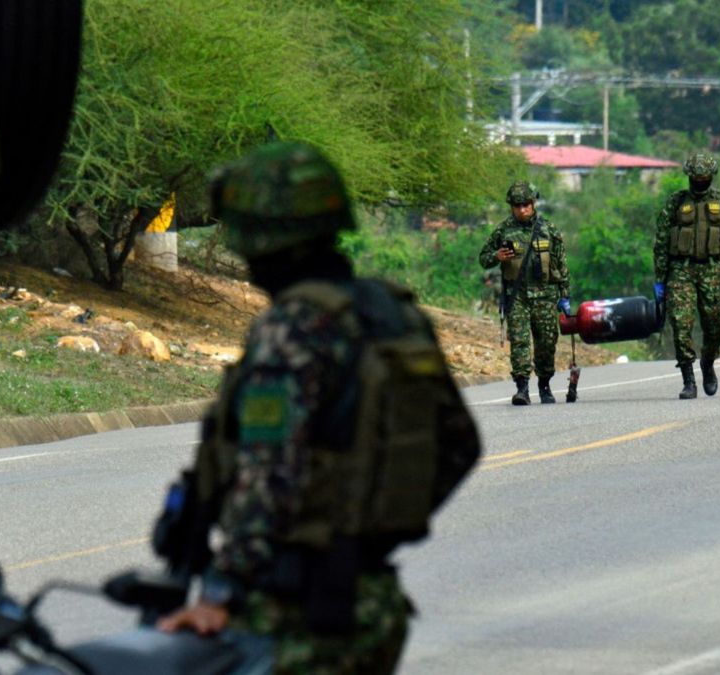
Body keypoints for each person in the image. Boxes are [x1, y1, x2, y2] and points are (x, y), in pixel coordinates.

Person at [156, 141, 481, 674]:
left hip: (291, 614)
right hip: (372, 601)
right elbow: (458, 444)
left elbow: (268, 475)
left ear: (263, 234)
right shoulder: (391, 314)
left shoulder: (293, 329)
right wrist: (369, 528)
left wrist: (218, 595)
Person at [653, 152, 720, 399]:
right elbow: (661, 241)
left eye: (704, 177)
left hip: (712, 270)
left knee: (714, 326)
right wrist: (660, 279)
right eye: (696, 177)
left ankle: (708, 363)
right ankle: (688, 380)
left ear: (710, 177)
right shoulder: (675, 203)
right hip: (681, 271)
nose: (700, 181)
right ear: (689, 177)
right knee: (681, 324)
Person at [478, 181, 571, 405]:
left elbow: (561, 263)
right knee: (519, 342)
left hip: (546, 295)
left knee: (546, 342)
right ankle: (522, 388)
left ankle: (545, 385)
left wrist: (564, 296)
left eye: (526, 204)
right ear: (511, 206)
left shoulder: (548, 229)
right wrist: (497, 257)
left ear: (533, 203)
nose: (522, 209)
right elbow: (484, 258)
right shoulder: (503, 230)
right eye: (517, 205)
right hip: (517, 295)